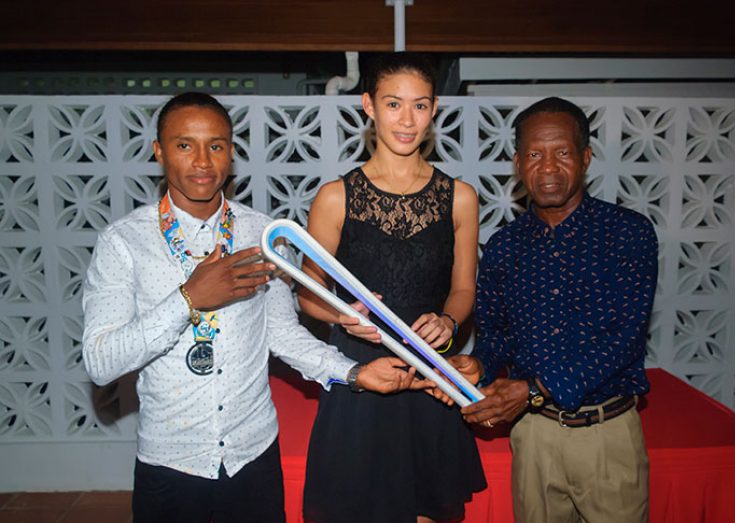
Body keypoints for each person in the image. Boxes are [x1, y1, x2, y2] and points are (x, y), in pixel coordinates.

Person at [81, 92, 421, 523]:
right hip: (171, 465)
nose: (203, 161)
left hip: (254, 457)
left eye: (216, 145)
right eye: (185, 145)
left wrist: (353, 372)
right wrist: (189, 300)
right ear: (159, 152)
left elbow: (281, 332)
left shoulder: (262, 234)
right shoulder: (123, 242)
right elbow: (100, 362)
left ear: (231, 153)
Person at [450, 96, 657, 522]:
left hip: (607, 434)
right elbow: (497, 338)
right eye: (534, 154)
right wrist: (476, 367)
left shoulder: (628, 234)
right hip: (534, 435)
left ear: (584, 158)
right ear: (517, 163)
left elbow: (625, 338)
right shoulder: (505, 247)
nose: (547, 167)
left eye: (561, 153)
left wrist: (533, 388)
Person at [298, 53, 486, 523]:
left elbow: (464, 290)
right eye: (393, 104)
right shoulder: (334, 197)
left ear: (435, 109)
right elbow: (306, 293)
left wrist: (448, 320)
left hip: (428, 375)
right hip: (360, 375)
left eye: (419, 106)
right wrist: (343, 315)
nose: (407, 120)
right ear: (368, 105)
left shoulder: (461, 198)